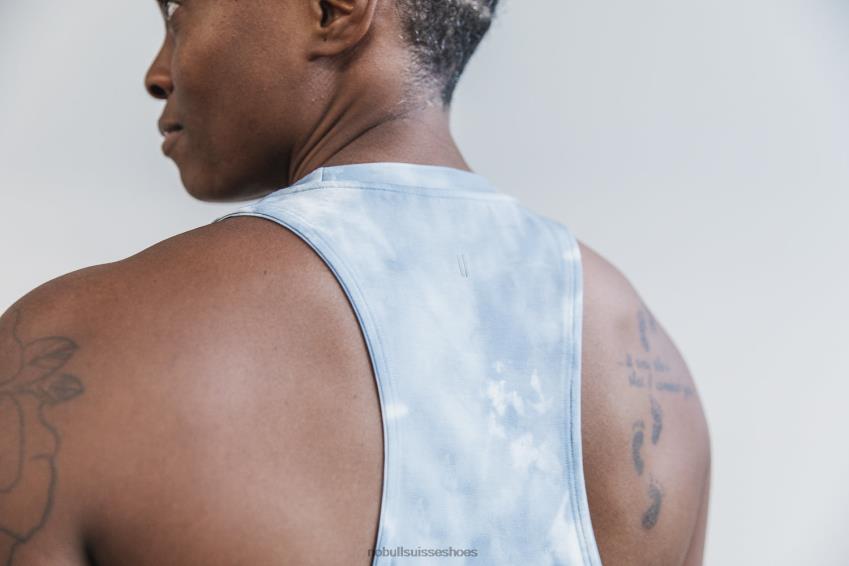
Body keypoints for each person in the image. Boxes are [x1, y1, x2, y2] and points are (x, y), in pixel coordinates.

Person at [0, 0, 710, 564]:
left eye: (178, 11)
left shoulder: (69, 346)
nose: (157, 72)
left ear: (333, 10)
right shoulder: (647, 371)